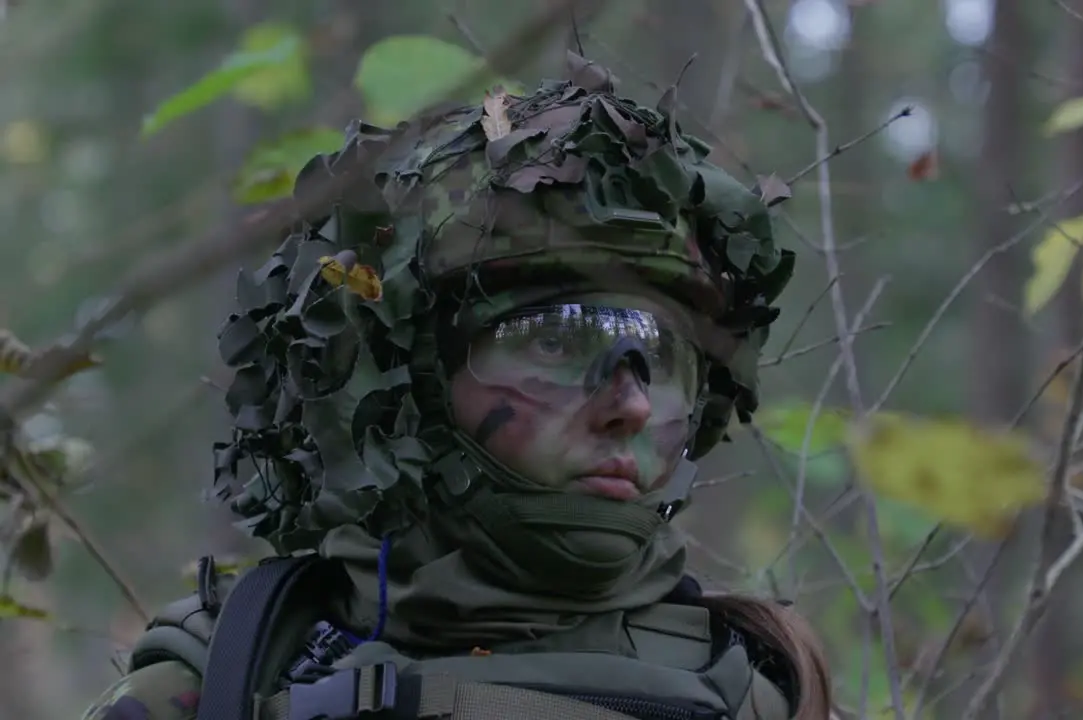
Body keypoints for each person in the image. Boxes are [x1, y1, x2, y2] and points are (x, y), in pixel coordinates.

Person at [79, 53, 833, 720]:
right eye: (558, 341)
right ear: (408, 384)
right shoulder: (238, 669)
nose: (629, 407)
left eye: (660, 361)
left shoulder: (757, 683)